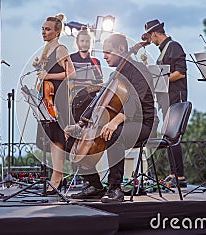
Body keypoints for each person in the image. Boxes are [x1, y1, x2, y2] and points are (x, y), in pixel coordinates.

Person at [66, 33, 156, 203]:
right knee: (72, 139)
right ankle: (94, 186)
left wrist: (115, 122)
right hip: (119, 122)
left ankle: (115, 188)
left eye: (108, 52)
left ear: (121, 49)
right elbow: (99, 103)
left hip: (142, 123)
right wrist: (80, 125)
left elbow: (136, 100)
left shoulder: (139, 70)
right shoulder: (115, 75)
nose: (104, 56)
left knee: (113, 135)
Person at [142, 19, 188, 188]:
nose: (150, 40)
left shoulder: (174, 46)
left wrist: (160, 81)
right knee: (168, 136)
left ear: (154, 34)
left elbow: (180, 73)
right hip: (166, 99)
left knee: (173, 137)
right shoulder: (163, 50)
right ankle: (172, 173)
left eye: (150, 36)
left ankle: (180, 177)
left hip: (176, 97)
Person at [33, 14, 75, 195]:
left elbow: (71, 73)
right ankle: (56, 176)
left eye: (47, 29)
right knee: (51, 140)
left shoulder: (60, 49)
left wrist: (47, 76)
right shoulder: (46, 49)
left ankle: (57, 178)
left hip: (58, 99)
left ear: (57, 32)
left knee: (57, 139)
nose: (43, 31)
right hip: (47, 99)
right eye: (43, 28)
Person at [69, 28, 102, 123]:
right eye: (82, 41)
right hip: (72, 102)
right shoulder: (70, 58)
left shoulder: (95, 62)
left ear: (91, 42)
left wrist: (92, 86)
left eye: (87, 41)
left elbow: (100, 83)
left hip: (89, 104)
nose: (84, 43)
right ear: (77, 42)